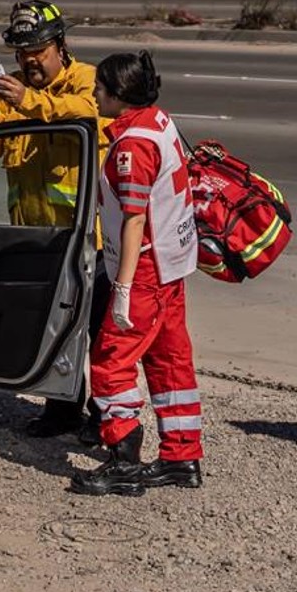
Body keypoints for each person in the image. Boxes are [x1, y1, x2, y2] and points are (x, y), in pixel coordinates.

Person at [0, 0, 109, 440]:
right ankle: (61, 411)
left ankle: (106, 417)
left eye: (38, 51)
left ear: (60, 45)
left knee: (98, 335)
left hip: (89, 239)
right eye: (23, 53)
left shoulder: (88, 81)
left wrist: (30, 102)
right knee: (53, 328)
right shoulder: (12, 88)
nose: (29, 61)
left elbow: (87, 116)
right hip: (36, 237)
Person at [70, 51, 203, 497]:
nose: (94, 95)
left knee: (110, 363)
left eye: (100, 89)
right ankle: (182, 456)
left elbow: (134, 218)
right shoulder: (157, 121)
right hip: (171, 266)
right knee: (169, 361)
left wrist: (123, 287)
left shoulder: (132, 145)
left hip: (145, 270)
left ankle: (123, 459)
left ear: (119, 94)